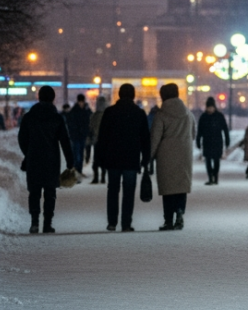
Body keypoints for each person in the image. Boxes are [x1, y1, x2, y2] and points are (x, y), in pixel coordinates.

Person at [17, 86, 73, 234]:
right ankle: (47, 224)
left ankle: (34, 222)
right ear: (53, 98)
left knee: (34, 192)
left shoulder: (29, 117)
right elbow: (65, 140)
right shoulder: (57, 118)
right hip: (51, 159)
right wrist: (70, 160)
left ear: (39, 97)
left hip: (33, 159)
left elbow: (22, 138)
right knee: (50, 192)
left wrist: (28, 152)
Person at [95, 83, 151, 231]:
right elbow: (145, 138)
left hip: (112, 158)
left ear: (119, 95)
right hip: (131, 159)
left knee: (112, 190)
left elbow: (102, 137)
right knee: (129, 192)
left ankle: (112, 222)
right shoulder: (139, 113)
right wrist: (146, 159)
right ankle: (126, 223)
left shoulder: (109, 112)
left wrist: (100, 157)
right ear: (133, 95)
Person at [151, 83, 194, 231]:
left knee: (168, 188)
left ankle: (168, 220)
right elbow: (193, 132)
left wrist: (149, 156)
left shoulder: (161, 114)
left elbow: (155, 137)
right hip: (184, 153)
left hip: (166, 154)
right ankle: (180, 213)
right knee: (181, 185)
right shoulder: (188, 113)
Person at [196, 96, 230, 185]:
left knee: (216, 160)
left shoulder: (218, 116)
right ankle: (211, 177)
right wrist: (198, 141)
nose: (210, 109)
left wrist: (227, 140)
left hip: (216, 141)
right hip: (208, 142)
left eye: (211, 107)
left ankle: (215, 176)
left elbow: (225, 129)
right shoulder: (204, 117)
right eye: (208, 107)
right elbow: (199, 131)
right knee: (208, 160)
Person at [66, 94, 92, 175]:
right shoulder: (86, 111)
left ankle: (78, 170)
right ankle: (77, 170)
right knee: (78, 154)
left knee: (79, 154)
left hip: (80, 135)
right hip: (78, 135)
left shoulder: (75, 111)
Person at [88, 96, 107, 184]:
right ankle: (103, 177)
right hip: (105, 141)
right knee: (104, 159)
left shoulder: (94, 115)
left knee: (96, 159)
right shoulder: (108, 115)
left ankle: (96, 177)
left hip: (96, 140)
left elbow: (90, 127)